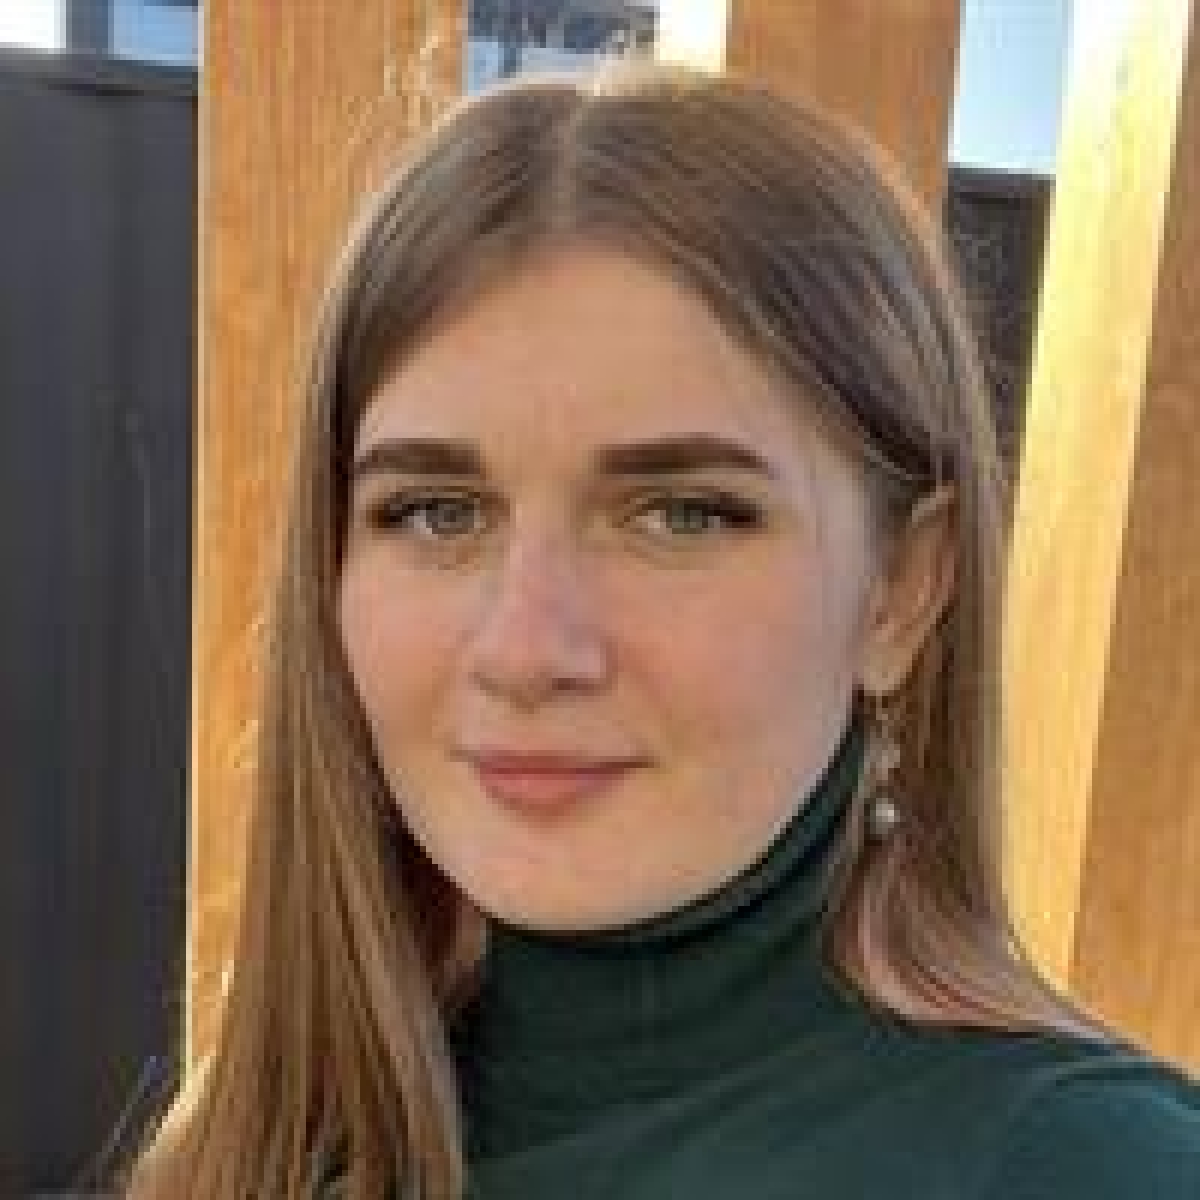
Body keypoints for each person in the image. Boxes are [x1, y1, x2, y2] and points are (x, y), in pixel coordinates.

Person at [124, 64, 1200, 1200]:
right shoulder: (271, 1129)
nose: (525, 650)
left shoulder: (1094, 1169)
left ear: (903, 589)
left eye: (682, 514)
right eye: (437, 512)